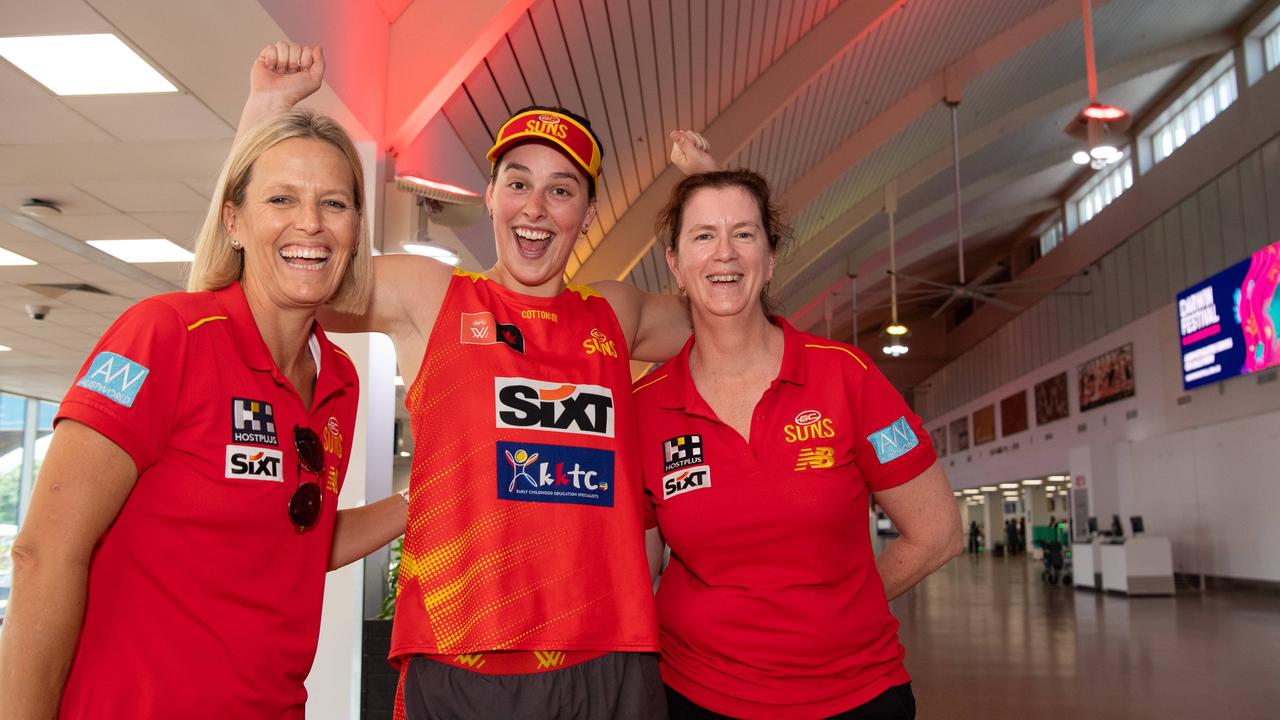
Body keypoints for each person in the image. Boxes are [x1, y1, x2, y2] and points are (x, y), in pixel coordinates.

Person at [236, 42, 717, 719]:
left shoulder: (613, 311)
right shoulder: (432, 295)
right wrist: (266, 114)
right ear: (489, 196)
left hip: (608, 657)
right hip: (463, 659)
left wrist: (712, 189)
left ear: (586, 210)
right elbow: (274, 268)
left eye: (561, 190)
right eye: (518, 183)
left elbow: (728, 304)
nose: (535, 208)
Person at [0, 110, 411, 718]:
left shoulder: (340, 381)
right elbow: (45, 553)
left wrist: (423, 499)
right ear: (234, 221)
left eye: (335, 203)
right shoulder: (166, 335)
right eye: (281, 198)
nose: (311, 224)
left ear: (355, 227)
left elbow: (294, 542)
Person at [636, 170, 964, 719]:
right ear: (674, 262)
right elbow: (640, 573)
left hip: (856, 696)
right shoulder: (645, 407)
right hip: (696, 697)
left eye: (743, 234)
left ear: (770, 258)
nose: (725, 254)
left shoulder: (846, 376)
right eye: (702, 236)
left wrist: (840, 612)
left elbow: (939, 533)